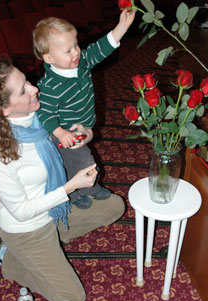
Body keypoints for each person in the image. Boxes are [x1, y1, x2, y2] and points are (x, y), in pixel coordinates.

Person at [0, 57, 125, 301]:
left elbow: (79, 128)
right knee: (73, 299)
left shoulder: (39, 117)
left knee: (115, 207)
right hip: (26, 228)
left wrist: (86, 134)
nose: (34, 89)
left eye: (28, 81)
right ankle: (6, 257)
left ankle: (51, 244)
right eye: (23, 90)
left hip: (54, 213)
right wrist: (69, 187)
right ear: (4, 110)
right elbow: (21, 211)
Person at [33, 10, 136, 209]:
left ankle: (80, 189)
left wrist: (122, 26)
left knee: (72, 163)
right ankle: (79, 192)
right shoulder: (50, 86)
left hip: (81, 124)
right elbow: (45, 113)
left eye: (76, 45)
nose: (76, 52)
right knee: (82, 161)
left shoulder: (81, 63)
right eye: (68, 50)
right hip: (64, 132)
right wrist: (60, 132)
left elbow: (101, 48)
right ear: (49, 58)